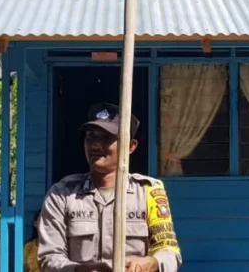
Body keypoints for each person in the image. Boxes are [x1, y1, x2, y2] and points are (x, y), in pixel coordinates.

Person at [37, 103, 181, 272]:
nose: (96, 145)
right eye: (91, 137)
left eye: (106, 138)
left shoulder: (148, 191)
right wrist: (79, 270)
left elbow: (170, 252)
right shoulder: (61, 194)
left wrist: (152, 262)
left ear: (130, 146)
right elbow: (49, 258)